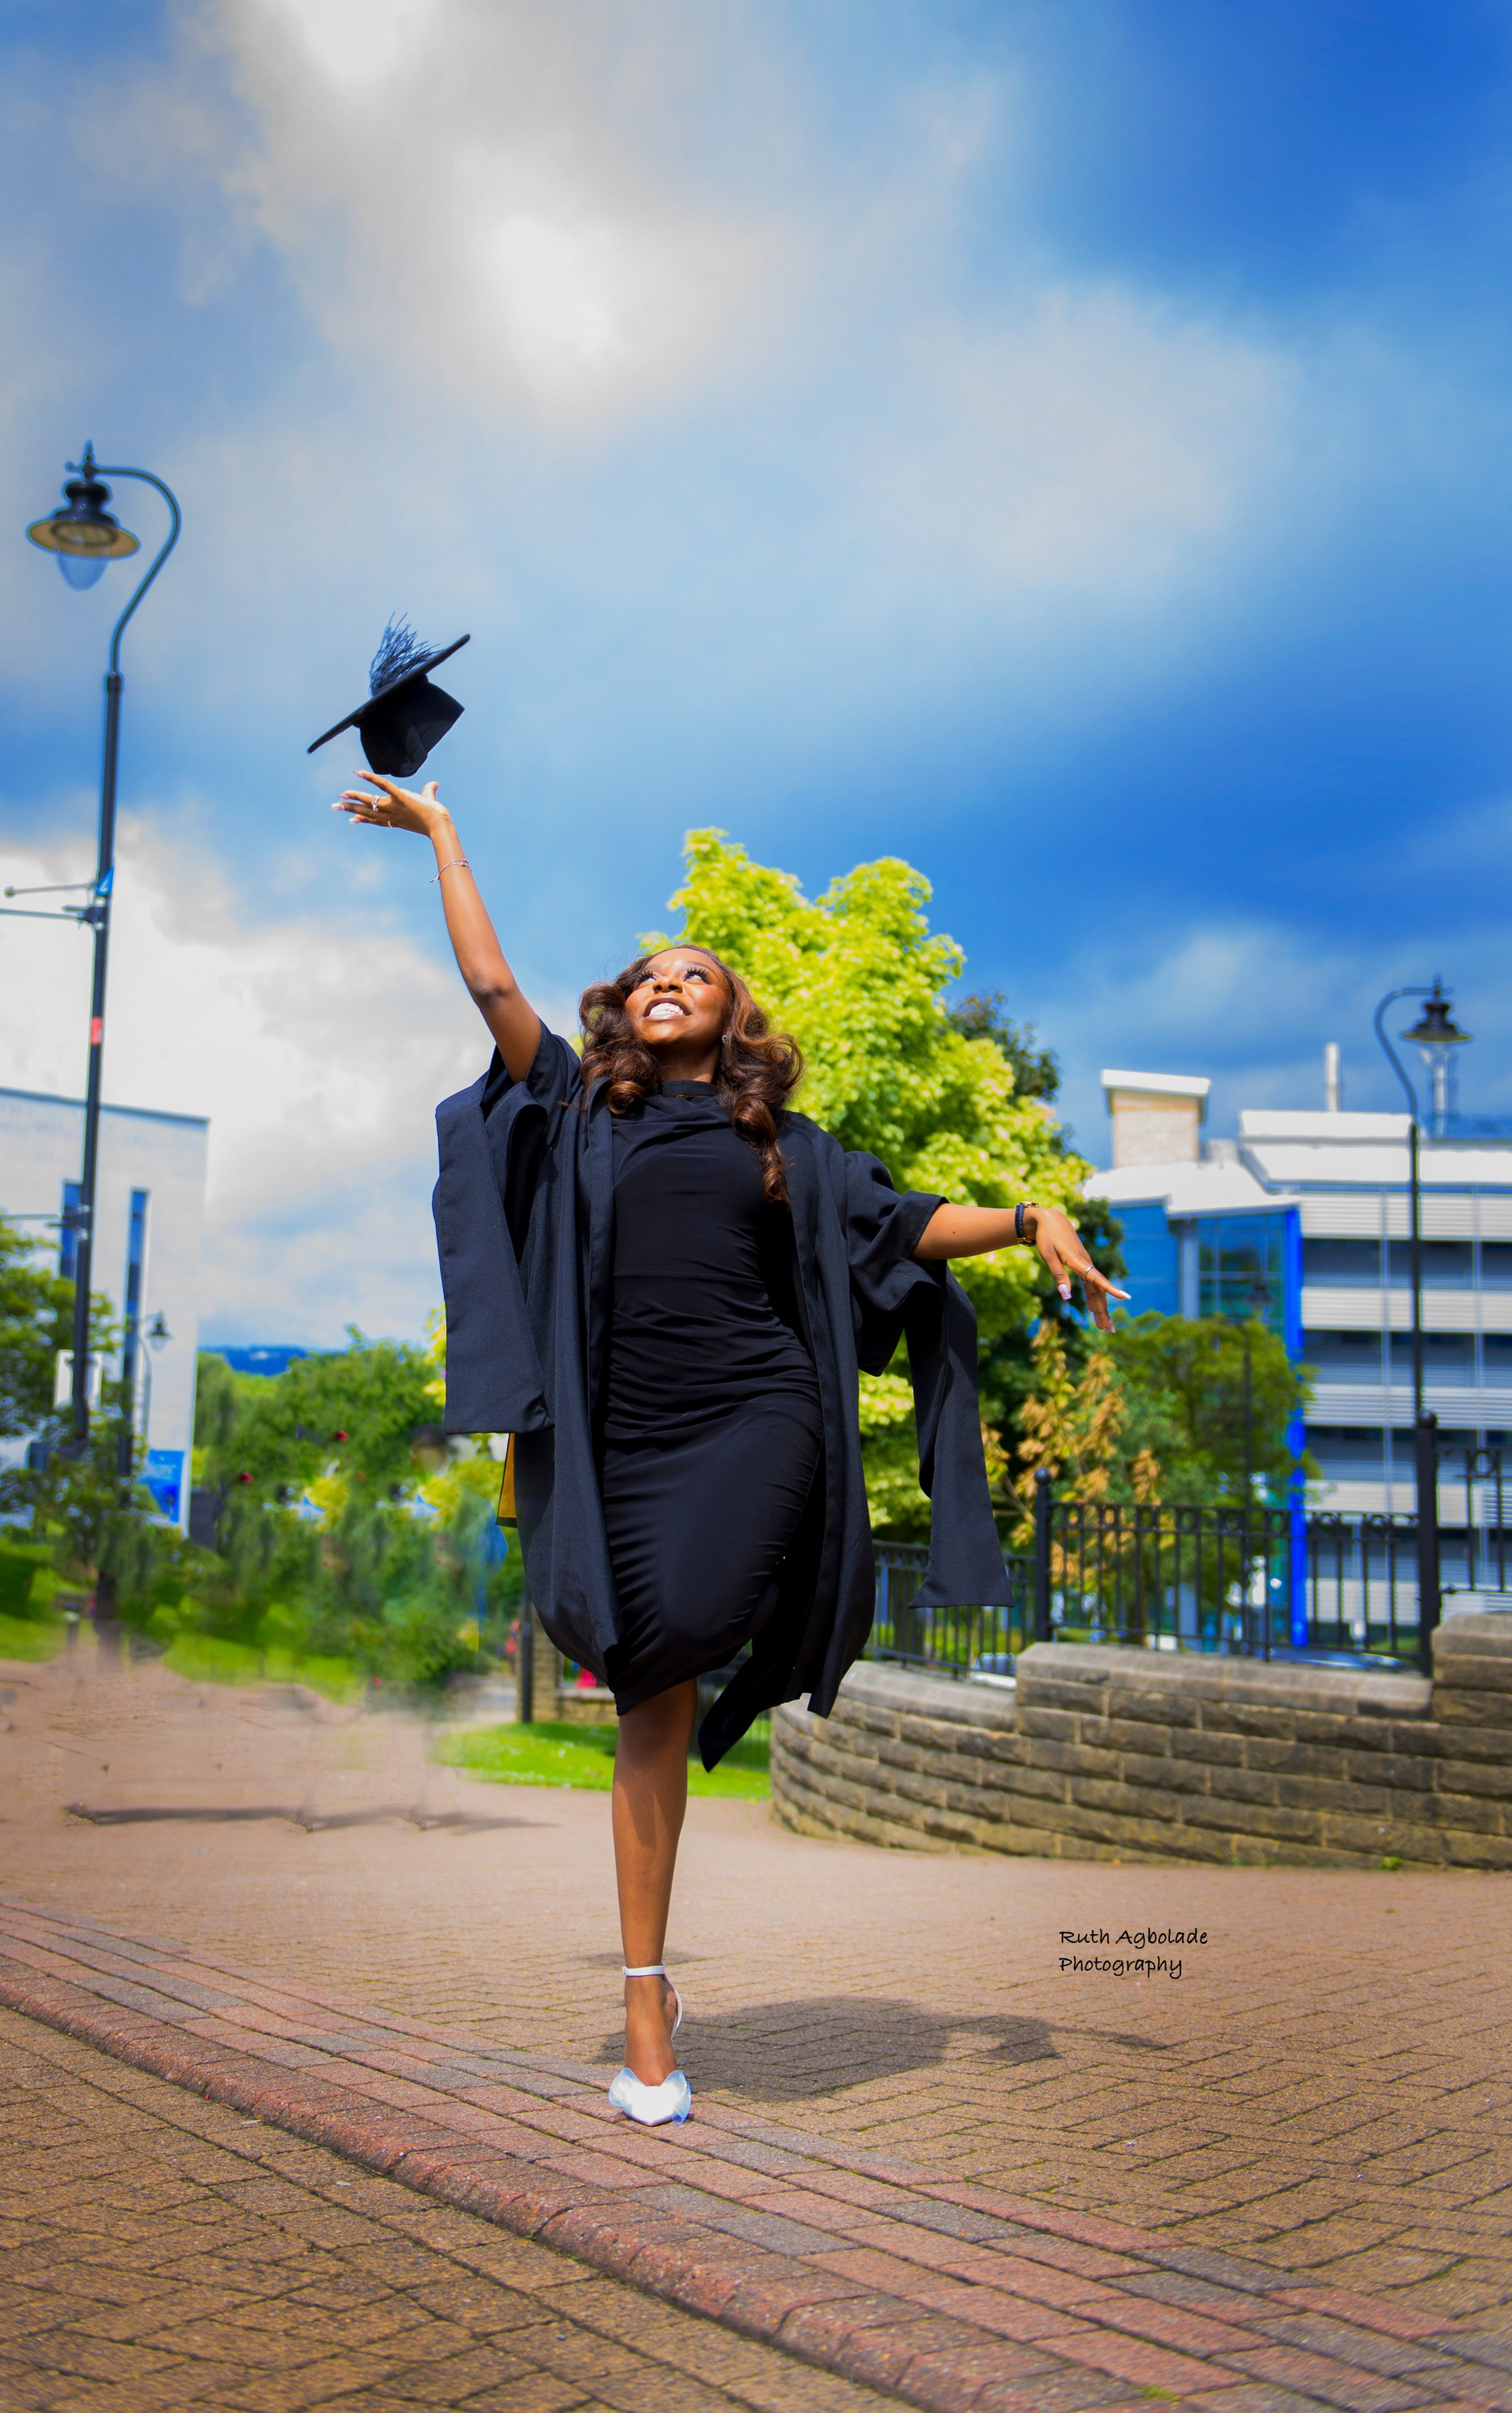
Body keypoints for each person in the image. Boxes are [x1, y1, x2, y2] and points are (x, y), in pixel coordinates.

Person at [336, 768, 1124, 2126]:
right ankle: (650, 1990)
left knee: (690, 1621)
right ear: (625, 1010)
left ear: (731, 1017)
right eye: (651, 972)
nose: (670, 980)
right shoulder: (584, 1110)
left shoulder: (791, 1146)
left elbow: (905, 1223)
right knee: (647, 1684)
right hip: (622, 1434)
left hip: (759, 1416)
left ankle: (736, 1669)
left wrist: (1026, 1213)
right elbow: (486, 986)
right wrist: (444, 834)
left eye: (698, 974)